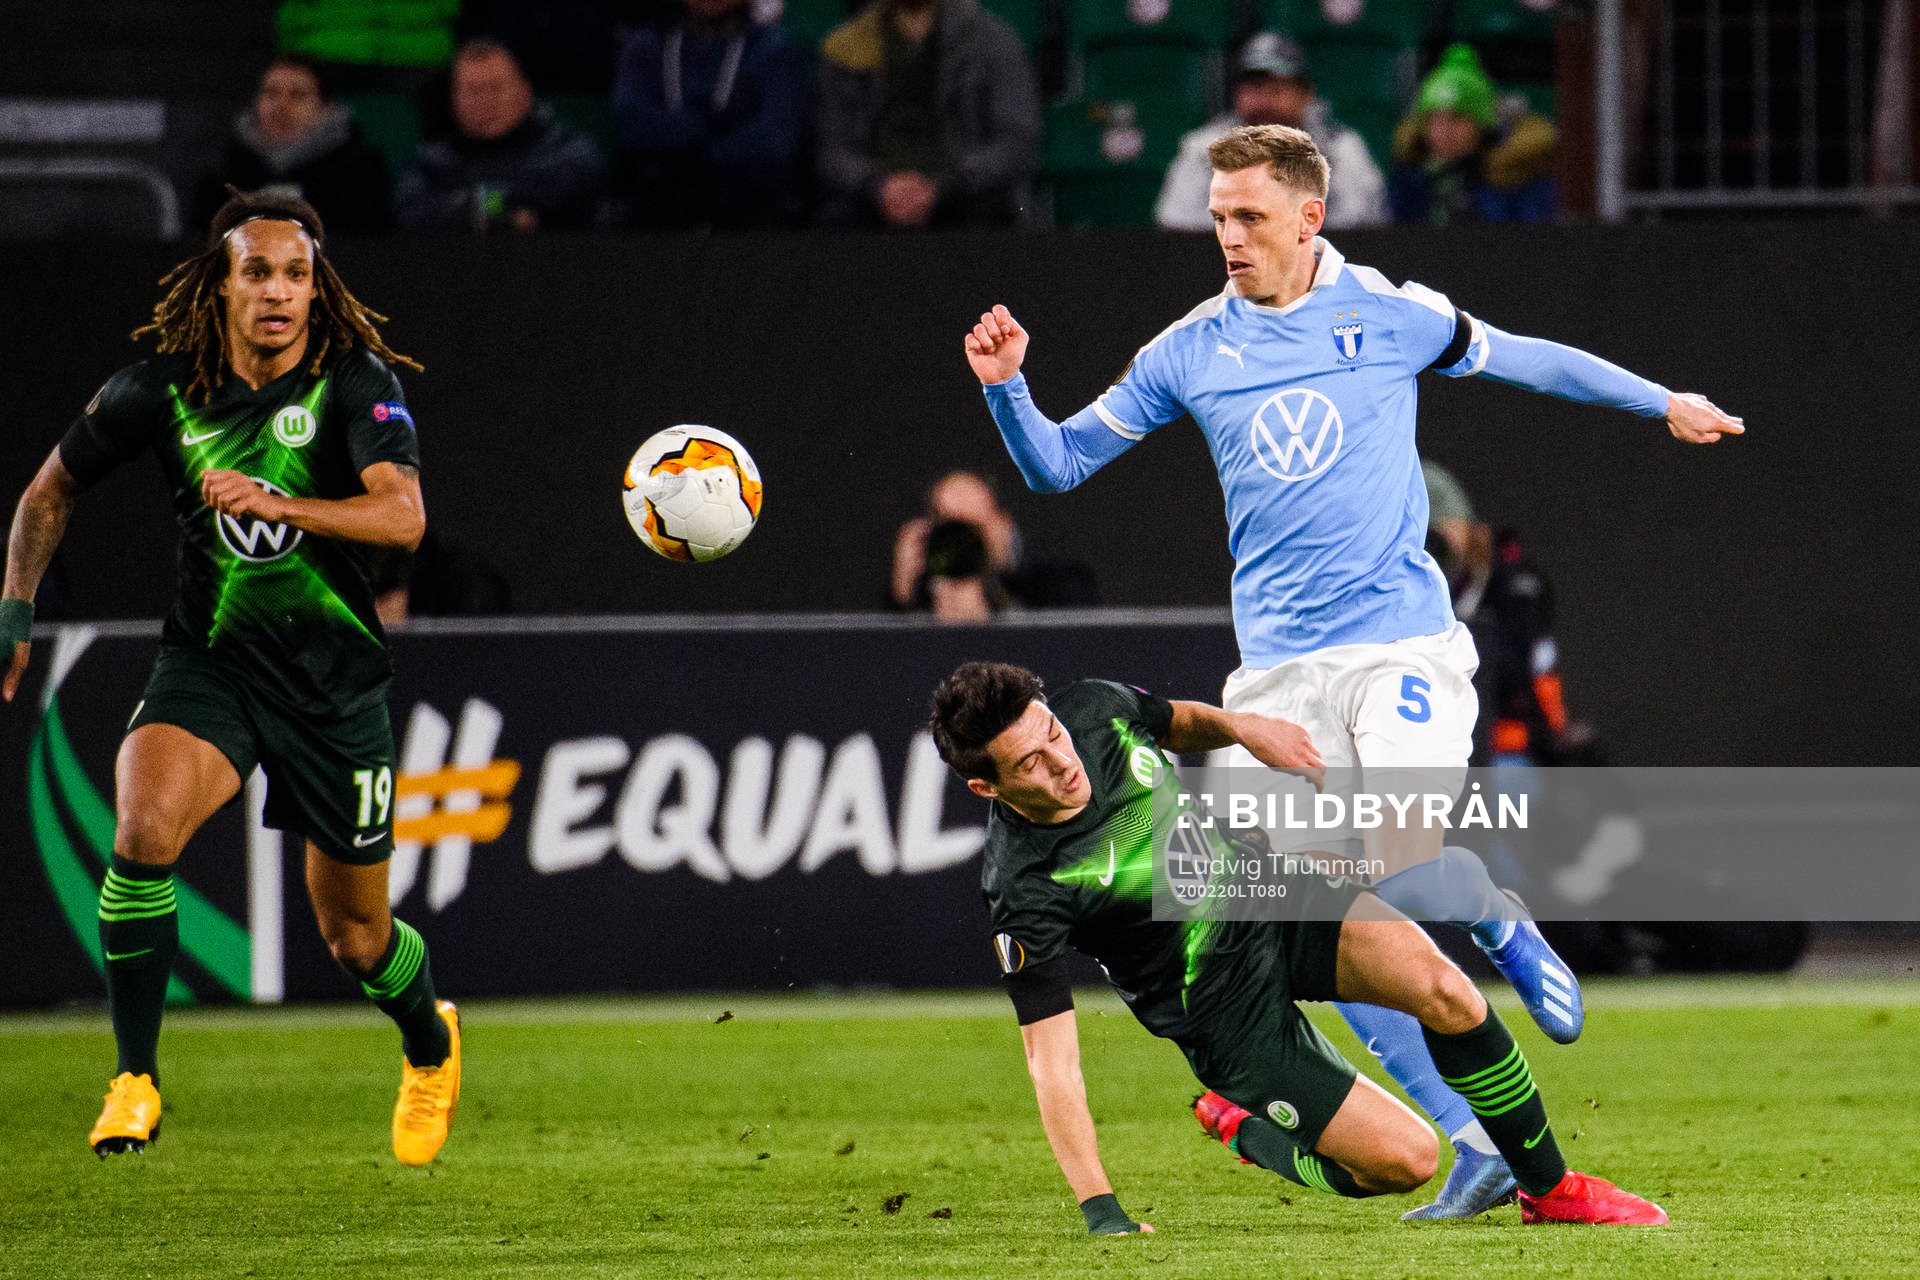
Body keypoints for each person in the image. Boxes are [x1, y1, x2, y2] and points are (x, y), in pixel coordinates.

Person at [959, 123, 1742, 1217]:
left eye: (1249, 218)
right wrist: (1008, 388)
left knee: (1400, 851)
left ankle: (1494, 911)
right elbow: (1056, 465)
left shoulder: (1390, 312)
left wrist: (1663, 399)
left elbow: (1526, 356)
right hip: (1277, 678)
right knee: (1317, 917)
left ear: (1309, 216)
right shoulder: (1189, 347)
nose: (1227, 237)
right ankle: (1470, 1143)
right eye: (1218, 217)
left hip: (1397, 647)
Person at [0, 190, 461, 1166]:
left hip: (333, 688)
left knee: (357, 939)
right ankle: (134, 1076)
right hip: (210, 666)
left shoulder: (354, 384)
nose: (279, 292)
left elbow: (404, 517)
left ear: (317, 287)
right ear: (220, 285)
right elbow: (51, 488)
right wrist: (15, 606)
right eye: (257, 272)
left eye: (296, 273)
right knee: (140, 830)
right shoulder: (161, 390)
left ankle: (429, 1041)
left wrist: (283, 502)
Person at [930, 661, 1668, 1232]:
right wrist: (1101, 1207)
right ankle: (1248, 1129)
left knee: (1445, 991)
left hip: (1269, 894)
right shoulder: (1022, 884)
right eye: (1027, 763)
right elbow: (1050, 1061)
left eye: (1051, 733)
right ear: (984, 787)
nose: (1061, 762)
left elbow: (1176, 720)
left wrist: (1245, 728)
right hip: (1217, 1009)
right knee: (1405, 1163)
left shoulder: (1092, 709)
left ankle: (1551, 1190)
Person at [815, 0, 1039, 228]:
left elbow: (1015, 141)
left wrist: (942, 187)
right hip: (872, 197)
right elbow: (831, 149)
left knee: (988, 213)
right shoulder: (843, 47)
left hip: (966, 194)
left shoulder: (994, 41)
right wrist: (879, 185)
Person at [1157, 31, 1386, 233]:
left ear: (1306, 94)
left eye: (1277, 89)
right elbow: (1177, 220)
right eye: (1254, 88)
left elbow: (1361, 222)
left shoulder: (1339, 147)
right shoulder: (1205, 147)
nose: (1264, 102)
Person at [611, 0, 810, 228]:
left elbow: (775, 140)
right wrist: (714, 126)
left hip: (748, 208)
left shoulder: (775, 51)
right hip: (660, 206)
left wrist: (694, 151)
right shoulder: (647, 46)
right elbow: (631, 124)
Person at [395, 38, 607, 232]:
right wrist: (502, 209)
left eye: (496, 88)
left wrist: (471, 203)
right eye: (473, 91)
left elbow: (568, 202)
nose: (485, 102)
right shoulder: (432, 163)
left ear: (524, 93)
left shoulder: (568, 153)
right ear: (454, 100)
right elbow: (412, 211)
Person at [195, 55, 394, 234]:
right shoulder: (222, 175)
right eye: (271, 93)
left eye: (298, 95)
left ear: (326, 107)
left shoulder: (359, 172)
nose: (281, 106)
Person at [1389, 44, 1558, 226]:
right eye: (1434, 119)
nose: (1444, 130)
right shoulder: (1410, 181)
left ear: (1481, 125)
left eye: (1457, 118)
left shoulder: (1519, 180)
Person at [889, 469, 1097, 612]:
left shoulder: (1058, 582)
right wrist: (902, 599)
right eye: (951, 528)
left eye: (973, 527)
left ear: (1002, 524)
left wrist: (987, 624)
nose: (963, 541)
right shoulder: (921, 590)